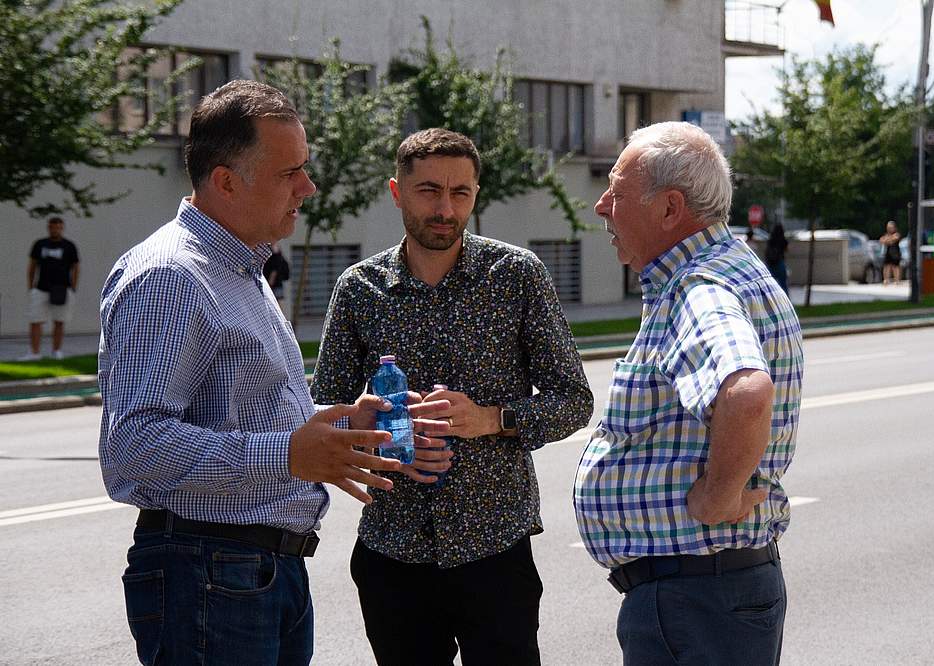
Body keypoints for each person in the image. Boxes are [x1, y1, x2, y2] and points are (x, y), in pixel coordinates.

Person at [98, 80, 448, 665]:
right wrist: (288, 454)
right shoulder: (170, 277)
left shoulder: (238, 268)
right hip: (209, 570)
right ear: (226, 182)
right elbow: (133, 447)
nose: (307, 187)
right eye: (290, 172)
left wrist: (340, 427)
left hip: (253, 570)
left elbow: (243, 413)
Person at [310, 128, 594, 666]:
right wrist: (387, 443)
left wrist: (490, 418)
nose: (445, 209)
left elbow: (573, 399)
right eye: (429, 191)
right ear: (397, 192)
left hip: (494, 547)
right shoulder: (358, 288)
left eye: (460, 192)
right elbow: (323, 418)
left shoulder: (516, 276)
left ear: (475, 194)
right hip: (393, 549)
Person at [573, 122, 804, 665]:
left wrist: (717, 498)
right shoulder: (721, 268)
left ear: (670, 208)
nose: (602, 206)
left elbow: (746, 392)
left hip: (695, 599)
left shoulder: (700, 287)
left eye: (617, 192)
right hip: (709, 595)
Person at [24, 216, 79, 360]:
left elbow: (76, 266)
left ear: (62, 228)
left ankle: (57, 351)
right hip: (41, 287)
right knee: (35, 320)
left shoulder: (69, 246)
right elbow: (32, 265)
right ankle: (35, 353)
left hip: (62, 288)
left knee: (59, 321)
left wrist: (73, 286)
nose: (55, 230)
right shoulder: (40, 244)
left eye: (58, 227)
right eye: (53, 227)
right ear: (49, 227)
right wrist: (31, 285)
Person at [264, 242, 291, 315]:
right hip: (275, 284)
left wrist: (270, 281)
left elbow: (275, 270)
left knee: (277, 303)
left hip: (274, 285)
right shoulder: (278, 256)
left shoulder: (277, 257)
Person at [765, 222, 790, 294]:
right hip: (780, 262)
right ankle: (785, 299)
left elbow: (767, 250)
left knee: (771, 285)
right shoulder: (783, 240)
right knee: (783, 284)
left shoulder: (771, 240)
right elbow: (786, 250)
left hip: (770, 263)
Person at [880, 220, 902, 285]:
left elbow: (894, 239)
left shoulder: (897, 234)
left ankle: (897, 280)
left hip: (895, 253)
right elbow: (881, 240)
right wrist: (888, 240)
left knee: (895, 267)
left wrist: (887, 240)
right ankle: (886, 280)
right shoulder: (886, 235)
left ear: (894, 228)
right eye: (888, 227)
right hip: (888, 252)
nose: (889, 229)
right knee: (886, 266)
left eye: (891, 227)